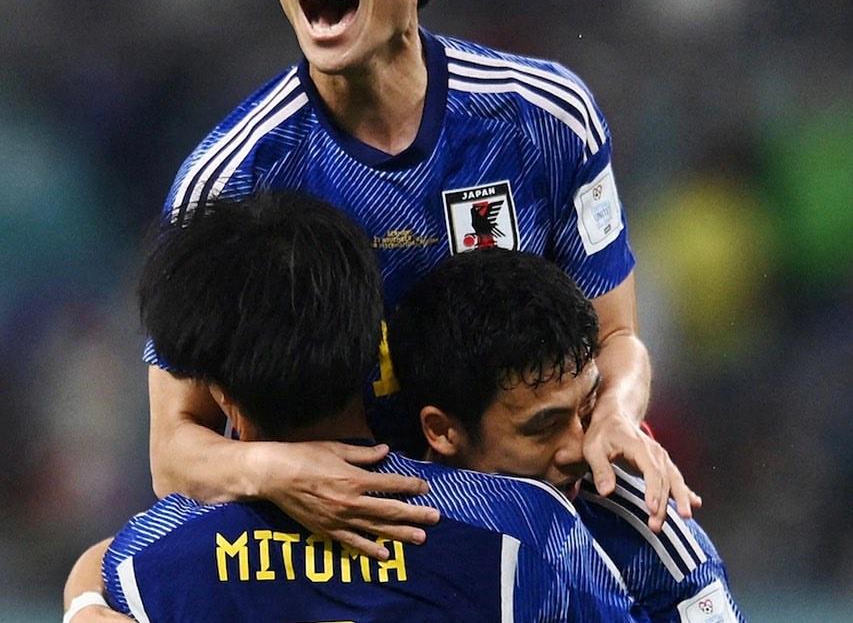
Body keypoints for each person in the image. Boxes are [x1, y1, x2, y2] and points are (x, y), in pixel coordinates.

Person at [148, 0, 699, 559]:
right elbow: (174, 447)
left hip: (521, 523)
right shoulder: (232, 179)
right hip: (331, 539)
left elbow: (617, 336)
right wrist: (279, 469)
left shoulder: (542, 119)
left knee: (662, 528)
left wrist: (614, 413)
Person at [65, 190, 640, 622]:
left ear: (224, 399)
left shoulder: (151, 561)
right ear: (374, 356)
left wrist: (85, 601)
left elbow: (104, 563)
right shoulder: (527, 530)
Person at [387, 248, 744, 623]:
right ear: (443, 431)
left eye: (587, 409)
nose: (580, 449)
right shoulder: (362, 526)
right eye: (544, 427)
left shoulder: (650, 546)